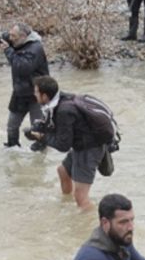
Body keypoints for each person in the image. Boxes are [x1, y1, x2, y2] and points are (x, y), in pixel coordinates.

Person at [31, 75, 109, 210]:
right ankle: (67, 205)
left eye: (36, 92)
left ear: (44, 96)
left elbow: (63, 145)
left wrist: (41, 137)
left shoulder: (64, 110)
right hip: (82, 145)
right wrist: (42, 127)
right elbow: (63, 129)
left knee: (81, 197)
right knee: (63, 171)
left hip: (88, 150)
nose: (34, 94)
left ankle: (90, 224)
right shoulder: (61, 99)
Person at [0, 21, 48, 148]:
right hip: (19, 93)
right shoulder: (17, 42)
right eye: (10, 35)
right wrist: (5, 39)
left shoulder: (36, 48)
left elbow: (22, 67)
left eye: (14, 36)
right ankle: (13, 151)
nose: (11, 39)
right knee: (11, 126)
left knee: (37, 129)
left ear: (24, 37)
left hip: (37, 95)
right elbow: (7, 38)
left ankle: (40, 156)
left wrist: (8, 50)